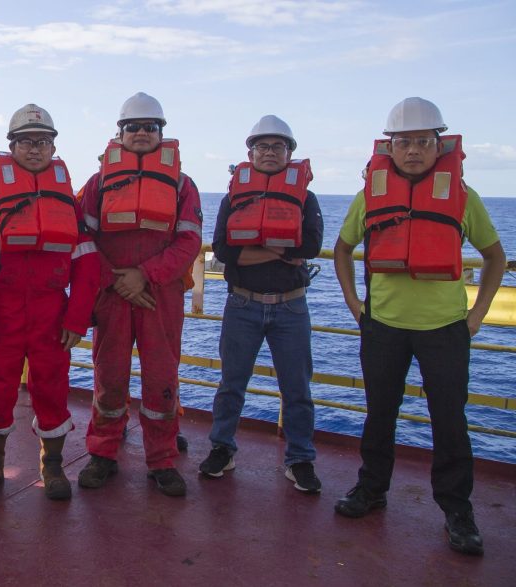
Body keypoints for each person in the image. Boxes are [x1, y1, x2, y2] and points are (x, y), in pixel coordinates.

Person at [332, 97, 505, 556]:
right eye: (403, 142)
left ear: (438, 144)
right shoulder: (370, 195)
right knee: (379, 415)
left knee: (449, 421)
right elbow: (343, 249)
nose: (412, 150)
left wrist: (477, 315)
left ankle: (456, 510)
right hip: (383, 327)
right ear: (389, 147)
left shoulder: (463, 197)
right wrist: (355, 306)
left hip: (445, 330)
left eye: (422, 142)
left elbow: (495, 257)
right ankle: (371, 490)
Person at [0, 104, 101, 501]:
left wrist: (77, 318)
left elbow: (87, 264)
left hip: (51, 313)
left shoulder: (68, 203)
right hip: (2, 311)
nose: (35, 149)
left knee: (52, 387)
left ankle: (52, 466)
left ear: (54, 147)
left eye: (43, 141)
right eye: (26, 141)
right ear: (12, 146)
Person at [77, 92, 203, 497]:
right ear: (120, 133)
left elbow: (188, 243)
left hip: (159, 295)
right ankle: (103, 452)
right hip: (113, 292)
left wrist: (144, 276)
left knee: (161, 378)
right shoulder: (97, 184)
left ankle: (161, 458)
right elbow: (82, 238)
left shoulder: (183, 185)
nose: (143, 133)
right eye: (134, 127)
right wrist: (116, 281)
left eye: (151, 127)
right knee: (108, 375)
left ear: (162, 134)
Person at [200, 115, 323, 493]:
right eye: (262, 147)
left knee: (297, 389)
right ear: (249, 154)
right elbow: (223, 251)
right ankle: (223, 448)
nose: (270, 153)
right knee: (231, 384)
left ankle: (300, 459)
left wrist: (251, 248)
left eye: (278, 147)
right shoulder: (232, 198)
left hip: (291, 308)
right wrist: (280, 251)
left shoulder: (307, 198)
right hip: (243, 305)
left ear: (290, 154)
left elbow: (310, 247)